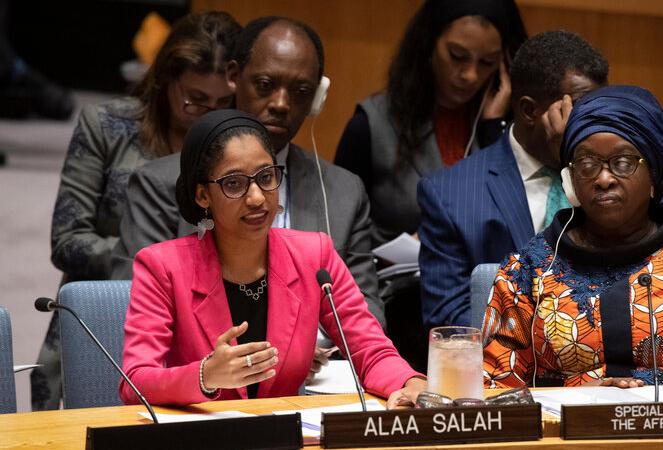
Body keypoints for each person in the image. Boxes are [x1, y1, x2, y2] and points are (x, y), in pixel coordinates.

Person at [120, 109, 426, 407]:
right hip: (201, 431)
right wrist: (205, 376)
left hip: (288, 430)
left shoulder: (314, 255)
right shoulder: (163, 267)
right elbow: (135, 382)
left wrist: (409, 383)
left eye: (266, 177)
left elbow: (370, 348)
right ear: (203, 196)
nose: (256, 197)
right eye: (234, 183)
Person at [109, 17, 383, 331]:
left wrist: (312, 348)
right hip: (206, 359)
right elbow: (133, 310)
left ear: (316, 99)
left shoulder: (343, 192)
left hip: (318, 361)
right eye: (265, 85)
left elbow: (368, 315)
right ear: (234, 77)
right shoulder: (159, 184)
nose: (281, 104)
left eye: (301, 90)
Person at [34, 11, 240, 410]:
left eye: (222, 102)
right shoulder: (106, 126)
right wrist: (159, 262)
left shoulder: (235, 145)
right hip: (109, 311)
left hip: (206, 332)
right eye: (195, 99)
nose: (208, 114)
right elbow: (68, 241)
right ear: (165, 79)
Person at [483, 85, 663, 388]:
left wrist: (631, 390)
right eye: (587, 164)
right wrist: (581, 396)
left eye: (623, 163)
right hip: (563, 418)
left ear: (654, 172)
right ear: (570, 180)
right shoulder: (529, 269)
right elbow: (494, 382)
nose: (604, 179)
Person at [418, 30, 608, 329]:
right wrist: (554, 338)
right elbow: (450, 317)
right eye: (580, 110)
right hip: (506, 356)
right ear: (530, 110)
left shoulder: (622, 175)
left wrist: (580, 165)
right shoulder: (449, 194)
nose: (596, 125)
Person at [334, 0, 528, 247]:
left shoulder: (510, 129)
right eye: (457, 56)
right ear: (428, 44)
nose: (470, 75)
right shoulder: (370, 125)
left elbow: (516, 222)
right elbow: (339, 231)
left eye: (487, 62)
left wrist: (493, 129)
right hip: (389, 271)